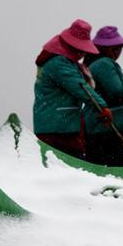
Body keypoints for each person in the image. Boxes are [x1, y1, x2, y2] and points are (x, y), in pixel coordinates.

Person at [33, 19, 110, 161]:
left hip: (58, 127)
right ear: (71, 46)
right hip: (57, 129)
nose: (82, 55)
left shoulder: (63, 62)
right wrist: (102, 107)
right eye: (81, 50)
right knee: (69, 168)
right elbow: (81, 88)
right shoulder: (59, 63)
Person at [84, 26, 123, 167]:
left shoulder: (93, 63)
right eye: (115, 47)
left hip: (98, 126)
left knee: (98, 169)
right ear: (105, 48)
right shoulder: (104, 64)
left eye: (119, 48)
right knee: (117, 171)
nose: (118, 52)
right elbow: (117, 91)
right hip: (105, 127)